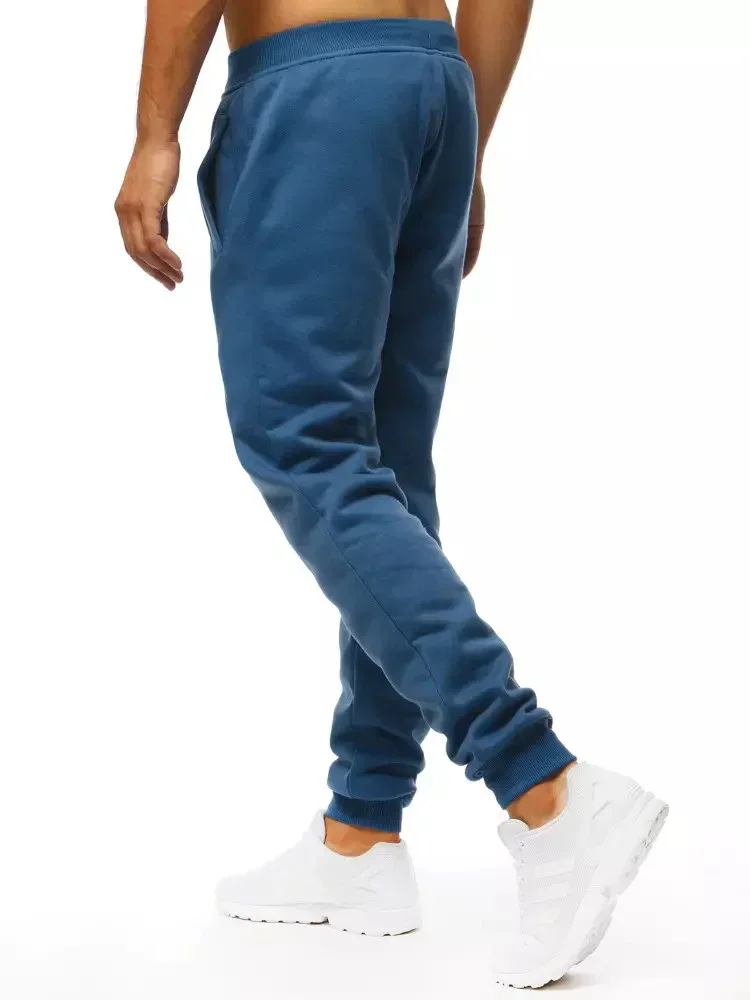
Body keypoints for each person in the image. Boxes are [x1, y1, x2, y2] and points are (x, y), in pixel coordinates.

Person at [115, 0, 668, 988]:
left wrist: (155, 134)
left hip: (315, 85)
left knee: (306, 445)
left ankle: (542, 781)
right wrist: (466, 139)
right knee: (387, 469)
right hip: (434, 85)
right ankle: (362, 830)